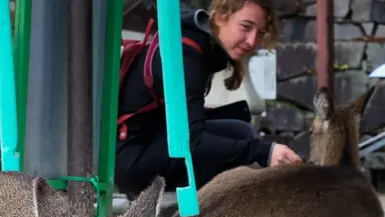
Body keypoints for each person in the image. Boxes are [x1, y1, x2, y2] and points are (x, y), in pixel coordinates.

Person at [115, 0, 302, 199]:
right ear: (220, 17)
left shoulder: (198, 43)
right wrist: (264, 152)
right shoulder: (186, 55)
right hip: (133, 163)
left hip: (150, 143)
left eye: (260, 33)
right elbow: (192, 140)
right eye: (246, 27)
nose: (252, 41)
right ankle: (200, 214)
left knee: (240, 131)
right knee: (237, 145)